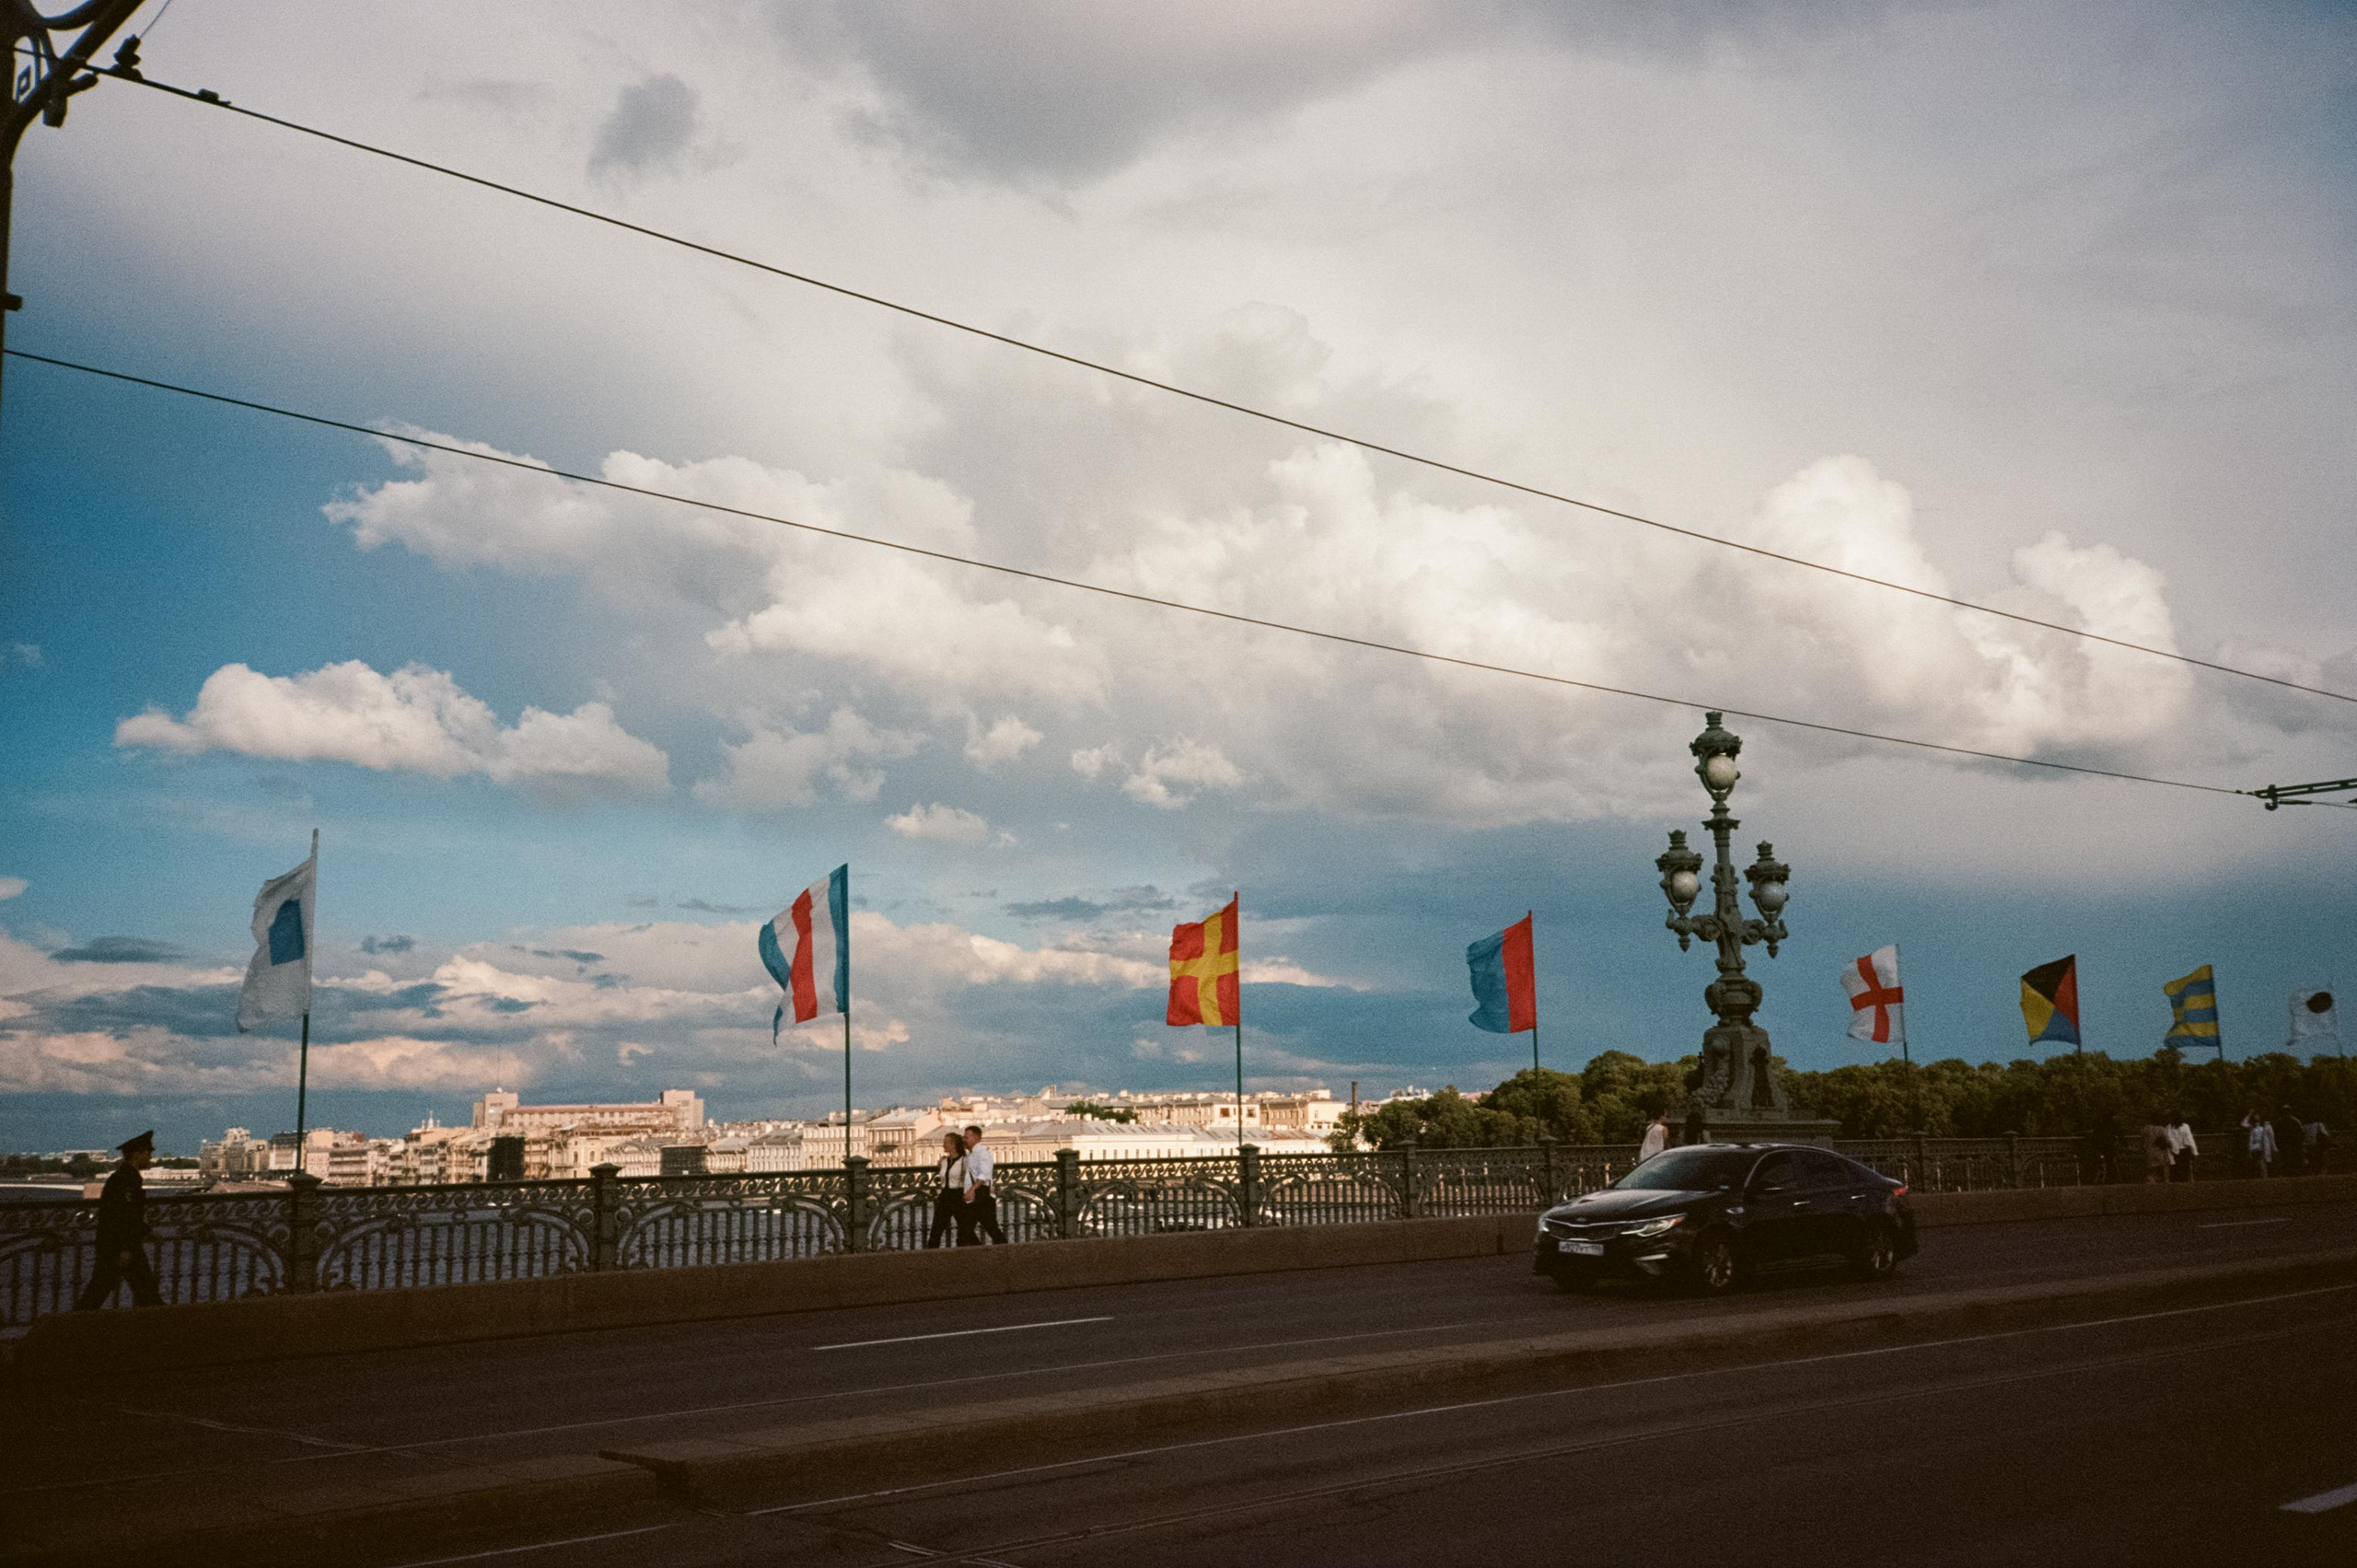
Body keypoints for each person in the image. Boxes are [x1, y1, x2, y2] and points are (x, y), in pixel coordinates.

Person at [75, 1130, 163, 1310]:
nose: (150, 1158)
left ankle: (67, 1329)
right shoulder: (126, 1180)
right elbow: (124, 1216)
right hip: (121, 1247)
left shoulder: (124, 1177)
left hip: (117, 1246)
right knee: (144, 1294)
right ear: (137, 1154)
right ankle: (65, 1330)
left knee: (100, 1292)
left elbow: (125, 1215)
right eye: (148, 1153)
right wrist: (126, 1248)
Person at [958, 1124, 1006, 1246]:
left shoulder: (982, 1154)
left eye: (966, 1137)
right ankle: (981, 1253)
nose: (964, 1140)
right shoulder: (971, 1155)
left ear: (975, 1138)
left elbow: (984, 1175)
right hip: (975, 1197)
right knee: (966, 1230)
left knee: (990, 1228)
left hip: (981, 1196)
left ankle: (1007, 1251)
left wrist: (971, 1190)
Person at [925, 1130, 967, 1249]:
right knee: (937, 1228)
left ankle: (968, 1252)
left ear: (953, 1145)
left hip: (959, 1196)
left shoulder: (965, 1160)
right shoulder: (944, 1161)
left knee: (964, 1228)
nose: (943, 1144)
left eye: (946, 1142)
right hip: (945, 1196)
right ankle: (930, 1255)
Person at [2274, 1107, 2306, 1179]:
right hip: (2293, 1144)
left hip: (2285, 1144)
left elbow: (2275, 1133)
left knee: (2285, 1159)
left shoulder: (2279, 1121)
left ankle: (2286, 1173)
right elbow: (2302, 1133)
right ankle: (2295, 1173)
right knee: (2294, 1160)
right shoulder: (2295, 1121)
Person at [2142, 1113, 2173, 1184]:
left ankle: (2151, 1182)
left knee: (2151, 1170)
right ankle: (2166, 1181)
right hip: (2160, 1151)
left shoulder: (2146, 1129)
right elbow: (2167, 1141)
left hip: (2149, 1151)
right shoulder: (2162, 1129)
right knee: (2164, 1167)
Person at [2166, 1112, 2198, 1183]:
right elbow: (2190, 1140)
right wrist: (2194, 1152)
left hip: (2177, 1150)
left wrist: (2194, 1151)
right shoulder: (2184, 1126)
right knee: (2182, 1168)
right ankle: (2182, 1182)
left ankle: (2179, 1182)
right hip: (2182, 1150)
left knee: (2177, 1168)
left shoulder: (2169, 1127)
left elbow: (2168, 1139)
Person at [2247, 1112, 2276, 1179]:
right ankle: (2263, 1176)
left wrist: (2250, 1150)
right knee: (2261, 1163)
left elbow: (2251, 1141)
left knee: (2260, 1163)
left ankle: (2262, 1176)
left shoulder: (2257, 1129)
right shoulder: (2261, 1129)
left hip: (2258, 1147)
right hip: (2260, 1147)